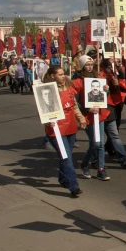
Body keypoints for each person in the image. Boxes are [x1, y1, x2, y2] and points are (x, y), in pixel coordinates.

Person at [42, 65, 86, 198]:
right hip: (56, 130)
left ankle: (62, 179)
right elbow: (42, 111)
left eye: (63, 74)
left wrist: (81, 118)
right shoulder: (46, 90)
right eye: (60, 74)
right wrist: (47, 121)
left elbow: (74, 106)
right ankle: (74, 186)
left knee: (66, 157)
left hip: (70, 128)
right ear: (52, 76)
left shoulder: (68, 87)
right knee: (66, 158)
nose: (63, 76)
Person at [72, 55, 111, 181]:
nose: (89, 67)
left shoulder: (98, 78)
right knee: (95, 143)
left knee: (100, 144)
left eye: (91, 65)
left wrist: (106, 90)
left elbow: (104, 95)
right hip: (87, 116)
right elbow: (74, 102)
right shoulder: (77, 82)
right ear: (82, 66)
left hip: (99, 114)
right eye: (87, 65)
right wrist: (87, 109)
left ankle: (101, 169)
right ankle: (84, 163)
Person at [99, 58, 126, 169]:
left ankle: (123, 159)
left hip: (112, 106)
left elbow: (124, 81)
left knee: (114, 134)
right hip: (99, 109)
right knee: (97, 140)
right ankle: (94, 160)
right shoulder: (98, 73)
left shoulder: (112, 71)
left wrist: (114, 84)